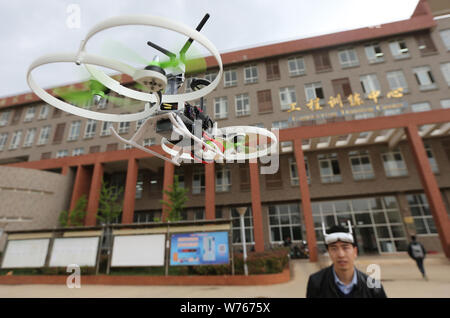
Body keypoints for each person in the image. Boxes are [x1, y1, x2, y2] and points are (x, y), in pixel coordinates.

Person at [306, 225, 387, 298]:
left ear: (355, 251)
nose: (341, 255)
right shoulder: (316, 282)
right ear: (329, 252)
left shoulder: (374, 287)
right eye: (334, 248)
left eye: (345, 247)